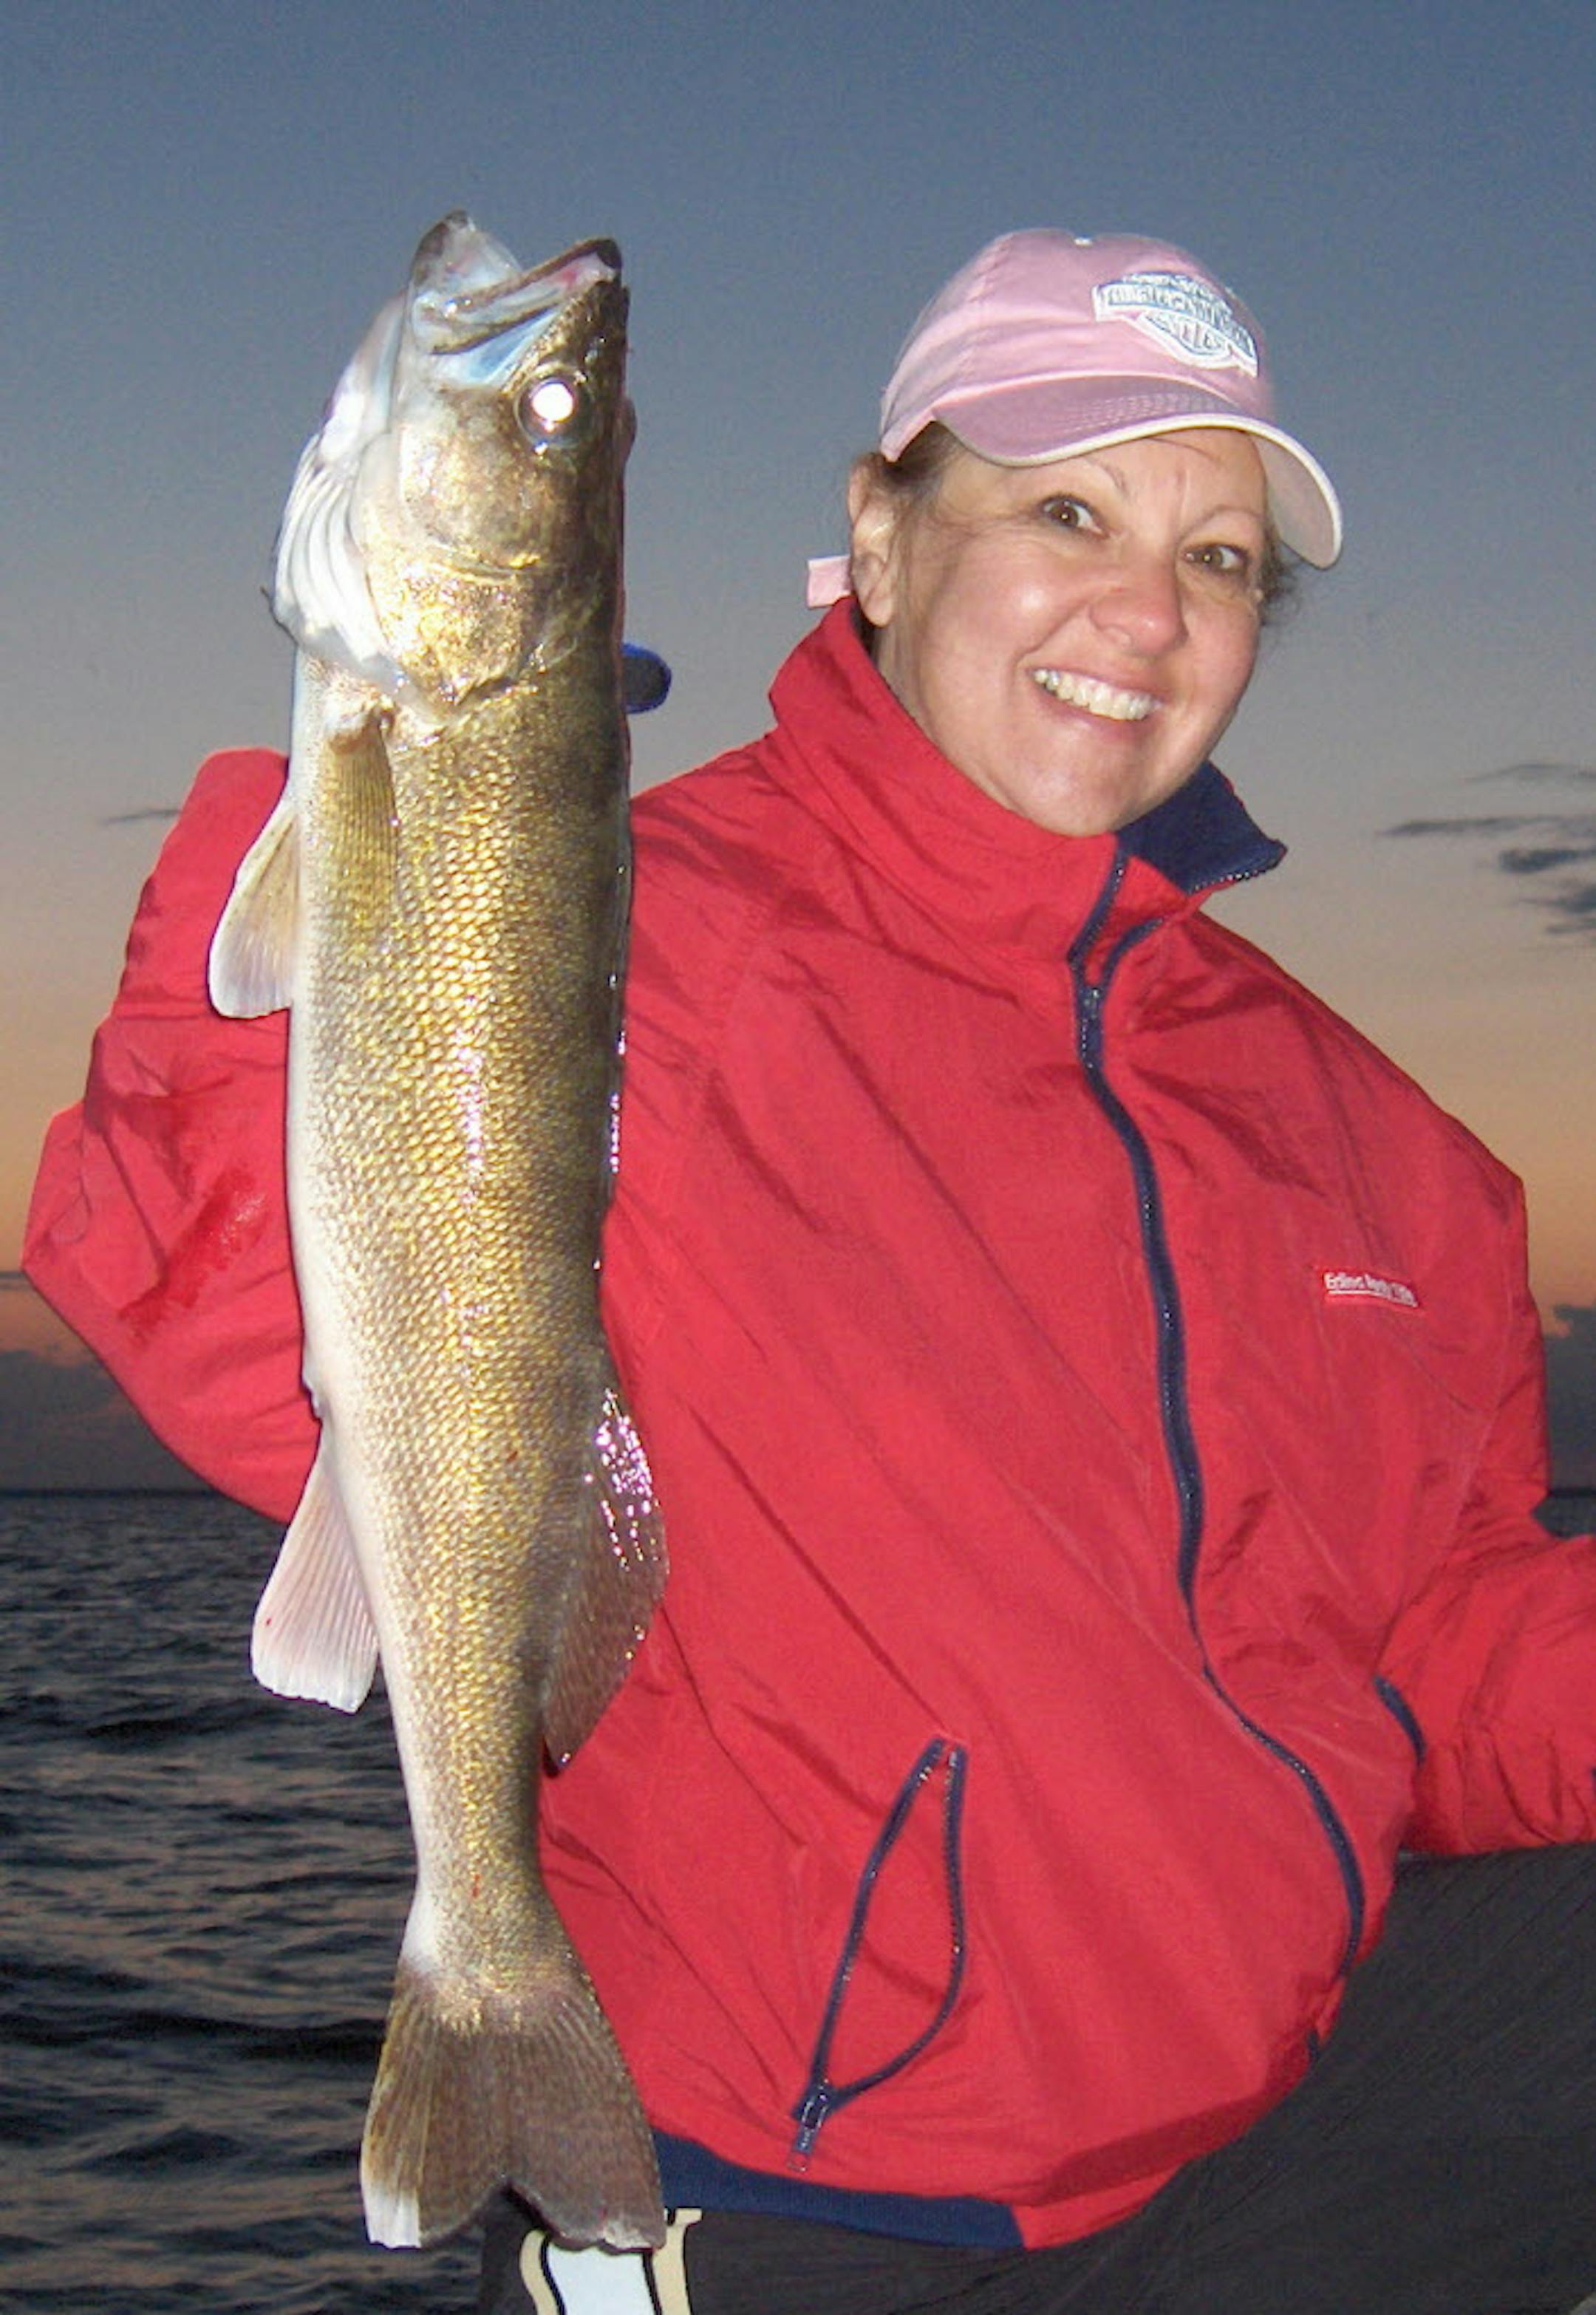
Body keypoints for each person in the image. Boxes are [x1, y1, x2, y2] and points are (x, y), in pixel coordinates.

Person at [25, 230, 1596, 2314]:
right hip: (833, 2199)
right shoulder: (629, 954)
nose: (1146, 607)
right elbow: (241, 1348)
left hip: (1269, 2128)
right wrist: (359, 805)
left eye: (1220, 560)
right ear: (875, 536)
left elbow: (1423, 1650)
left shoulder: (1393, 1155)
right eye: (1067, 511)